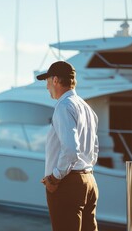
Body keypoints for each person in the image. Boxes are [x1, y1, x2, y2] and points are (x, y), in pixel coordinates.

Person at [37, 61, 99, 231]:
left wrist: (55, 178)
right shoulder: (86, 108)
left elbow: (71, 150)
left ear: (55, 80)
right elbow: (94, 150)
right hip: (89, 181)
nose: (47, 86)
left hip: (68, 184)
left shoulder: (64, 106)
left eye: (47, 81)